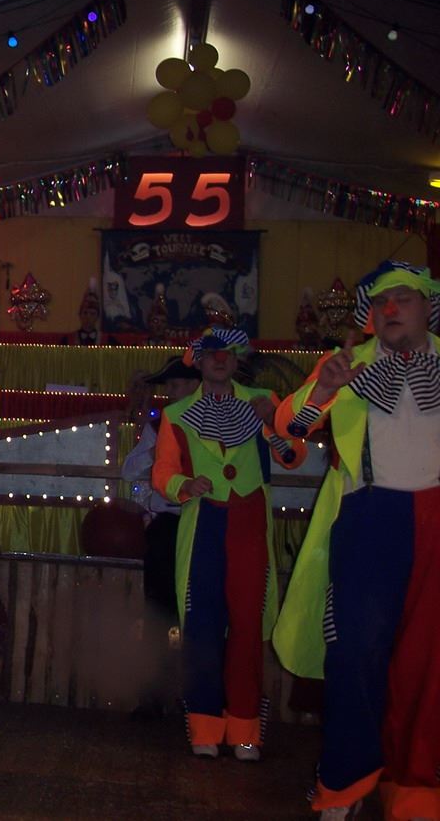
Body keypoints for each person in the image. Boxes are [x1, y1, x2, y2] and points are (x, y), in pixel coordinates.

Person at [272, 260, 440, 821]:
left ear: (427, 308)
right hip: (368, 517)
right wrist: (323, 388)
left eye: (404, 299)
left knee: (428, 663)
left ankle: (413, 789)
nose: (392, 309)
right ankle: (343, 785)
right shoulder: (347, 365)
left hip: (436, 520)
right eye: (382, 302)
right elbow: (289, 428)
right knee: (355, 655)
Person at [152, 326, 306, 761]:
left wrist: (271, 423)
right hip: (204, 522)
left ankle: (245, 730)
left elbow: (293, 456)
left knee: (247, 625)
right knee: (201, 626)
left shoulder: (263, 401)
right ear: (199, 362)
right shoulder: (177, 414)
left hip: (249, 521)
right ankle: (204, 727)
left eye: (228, 354)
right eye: (212, 354)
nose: (220, 360)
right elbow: (162, 473)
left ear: (237, 360)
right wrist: (184, 484)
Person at [120, 354, 200, 716]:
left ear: (194, 386)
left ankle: (195, 694)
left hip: (199, 522)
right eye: (169, 386)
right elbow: (129, 470)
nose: (170, 392)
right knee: (158, 612)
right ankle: (155, 693)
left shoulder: (210, 421)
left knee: (195, 612)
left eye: (177, 385)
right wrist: (158, 452)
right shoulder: (161, 424)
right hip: (168, 524)